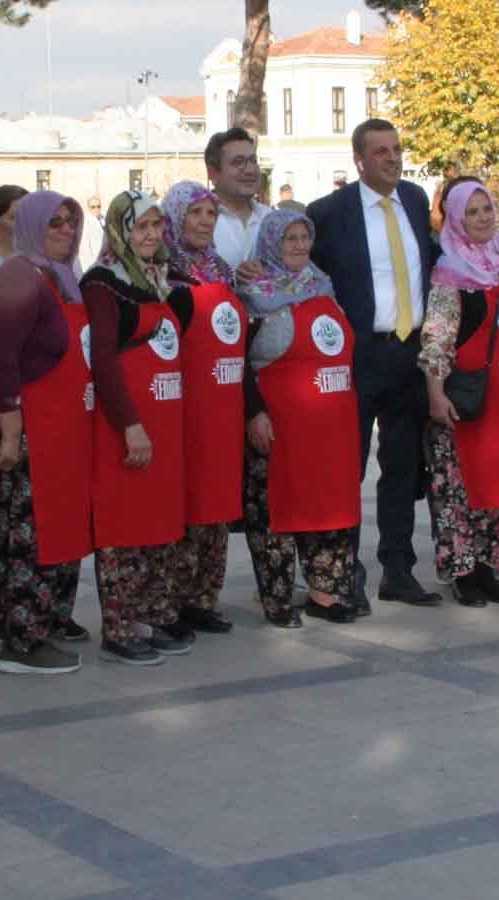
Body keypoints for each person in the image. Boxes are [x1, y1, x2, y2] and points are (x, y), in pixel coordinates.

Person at [306, 118, 440, 611]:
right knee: (349, 468)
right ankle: (348, 574)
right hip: (359, 356)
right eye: (380, 151)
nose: (392, 158)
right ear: (359, 159)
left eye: (397, 149)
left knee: (403, 467)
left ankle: (398, 569)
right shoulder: (330, 213)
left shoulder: (415, 199)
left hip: (410, 354)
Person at [0, 189, 93, 674]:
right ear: (30, 227)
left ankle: (47, 622)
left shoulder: (64, 278)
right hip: (29, 434)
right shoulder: (19, 275)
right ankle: (22, 640)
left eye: (71, 221)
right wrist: (9, 434)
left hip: (66, 428)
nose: (66, 230)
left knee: (62, 528)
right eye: (54, 222)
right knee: (29, 537)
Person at [81, 190, 196, 665]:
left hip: (166, 417)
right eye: (140, 227)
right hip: (126, 423)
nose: (151, 235)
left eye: (156, 226)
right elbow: (103, 360)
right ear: (120, 230)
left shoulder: (166, 280)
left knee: (157, 522)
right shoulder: (104, 282)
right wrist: (129, 424)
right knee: (123, 524)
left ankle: (149, 615)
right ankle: (119, 627)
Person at [237, 210, 361, 627]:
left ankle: (326, 593)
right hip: (280, 427)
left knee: (328, 507)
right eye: (289, 238)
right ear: (272, 242)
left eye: (304, 237)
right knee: (276, 513)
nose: (298, 245)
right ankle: (276, 599)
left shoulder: (322, 285)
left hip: (332, 425)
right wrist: (254, 412)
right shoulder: (254, 292)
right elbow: (239, 362)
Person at [418, 179, 499, 608]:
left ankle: (490, 568)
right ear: (455, 218)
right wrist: (435, 393)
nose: (482, 218)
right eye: (472, 212)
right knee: (460, 491)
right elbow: (437, 340)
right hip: (466, 402)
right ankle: (464, 572)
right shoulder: (449, 274)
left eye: (487, 209)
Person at [162, 181, 244, 634]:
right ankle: (170, 603)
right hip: (181, 405)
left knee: (215, 505)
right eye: (195, 213)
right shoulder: (160, 271)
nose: (203, 222)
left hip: (223, 404)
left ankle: (203, 598)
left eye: (210, 214)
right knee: (185, 506)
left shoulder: (222, 270)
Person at [207, 128, 272, 269]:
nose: (249, 170)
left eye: (253, 161)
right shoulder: (197, 222)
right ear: (212, 173)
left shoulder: (270, 218)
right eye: (238, 162)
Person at [77, 195, 106, 274]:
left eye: (98, 206)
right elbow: (85, 248)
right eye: (93, 207)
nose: (96, 209)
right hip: (93, 262)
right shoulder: (85, 222)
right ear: (88, 208)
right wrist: (92, 266)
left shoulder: (103, 219)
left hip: (105, 261)